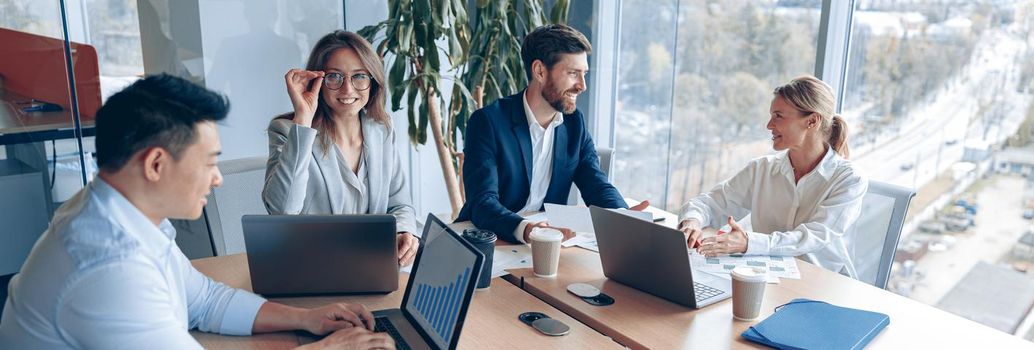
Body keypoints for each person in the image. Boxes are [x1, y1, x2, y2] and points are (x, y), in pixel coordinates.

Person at [0, 74, 391, 349]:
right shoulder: (109, 265)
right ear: (156, 164)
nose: (218, 179)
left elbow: (204, 301)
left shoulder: (119, 212)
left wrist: (307, 319)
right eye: (208, 162)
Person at [456, 24, 648, 243]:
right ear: (539, 71)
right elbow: (482, 203)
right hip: (491, 237)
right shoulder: (488, 122)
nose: (582, 86)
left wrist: (622, 216)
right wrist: (527, 229)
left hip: (548, 240)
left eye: (584, 74)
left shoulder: (574, 123)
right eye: (573, 73)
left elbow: (595, 182)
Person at [678, 75, 868, 277]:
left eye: (778, 116)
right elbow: (710, 202)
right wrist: (692, 221)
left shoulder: (849, 179)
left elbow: (813, 236)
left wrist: (748, 243)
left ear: (812, 121)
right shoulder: (762, 169)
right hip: (765, 277)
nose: (769, 125)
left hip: (823, 282)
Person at [264, 30, 418, 266]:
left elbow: (399, 204)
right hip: (312, 267)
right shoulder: (287, 131)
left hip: (372, 266)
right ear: (318, 81)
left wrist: (404, 231)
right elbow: (282, 213)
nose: (347, 89)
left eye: (359, 76)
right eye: (335, 76)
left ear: (373, 81)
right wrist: (303, 120)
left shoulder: (382, 130)